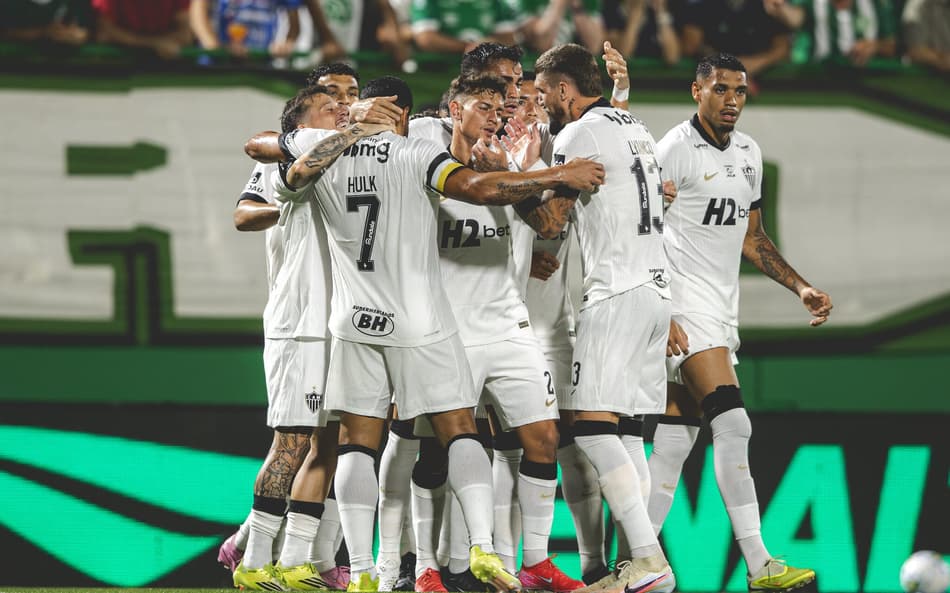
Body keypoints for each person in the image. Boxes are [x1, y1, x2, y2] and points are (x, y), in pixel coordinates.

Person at [272, 75, 605, 592]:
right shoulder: (414, 155)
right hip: (420, 321)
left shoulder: (323, 153)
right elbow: (475, 187)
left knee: (358, 445)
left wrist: (349, 133)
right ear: (397, 118)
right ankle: (482, 548)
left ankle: (362, 570)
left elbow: (290, 173)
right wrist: (561, 171)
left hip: (354, 319)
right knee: (458, 431)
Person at [647, 52, 831, 593]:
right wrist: (663, 310)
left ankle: (637, 561)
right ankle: (759, 563)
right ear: (696, 91)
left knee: (676, 441)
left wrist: (800, 286)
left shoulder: (749, 154)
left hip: (721, 313)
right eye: (721, 89)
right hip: (684, 310)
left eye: (740, 91)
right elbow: (638, 233)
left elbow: (753, 238)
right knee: (734, 423)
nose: (732, 100)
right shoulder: (673, 151)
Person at [530, 42, 676, 593]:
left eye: (543, 94)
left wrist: (515, 180)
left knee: (591, 428)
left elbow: (549, 222)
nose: (541, 105)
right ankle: (635, 564)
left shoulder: (574, 136)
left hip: (615, 291)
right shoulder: (633, 123)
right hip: (657, 291)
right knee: (627, 435)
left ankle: (648, 561)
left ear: (565, 90)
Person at [219, 85, 349, 592]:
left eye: (349, 99)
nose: (343, 106)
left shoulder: (354, 160)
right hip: (300, 319)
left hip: (343, 322)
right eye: (330, 102)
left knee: (332, 444)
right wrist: (291, 208)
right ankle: (252, 559)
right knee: (292, 440)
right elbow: (242, 214)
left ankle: (295, 558)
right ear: (297, 124)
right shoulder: (287, 162)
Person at [189, 0, 301, 59]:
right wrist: (215, 46)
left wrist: (285, 45)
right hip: (218, 65)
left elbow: (294, 24)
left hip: (261, 64)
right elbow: (198, 11)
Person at [91, 0, 192, 59]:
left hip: (167, 67)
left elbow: (185, 34)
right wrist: (156, 44)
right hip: (117, 65)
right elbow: (106, 32)